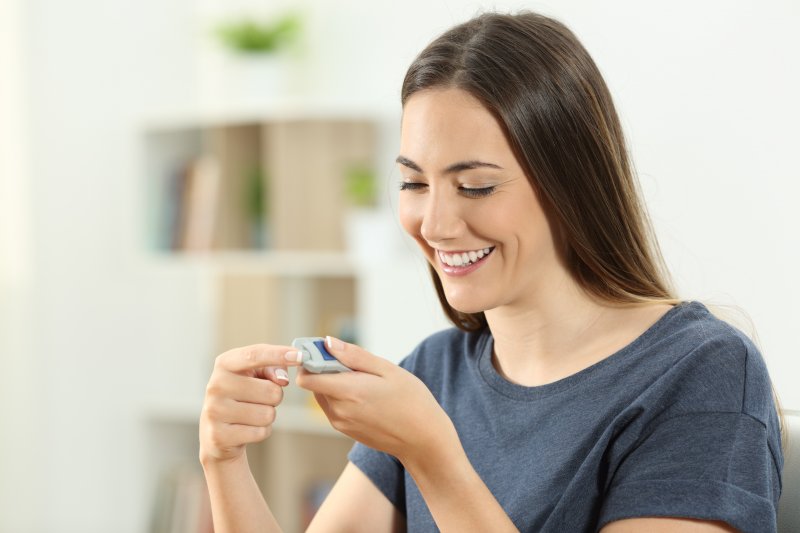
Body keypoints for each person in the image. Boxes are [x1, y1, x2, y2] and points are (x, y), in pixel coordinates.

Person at [198, 10, 783, 533]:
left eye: (475, 186)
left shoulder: (703, 372)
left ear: (570, 184)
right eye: (413, 183)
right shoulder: (434, 371)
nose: (435, 223)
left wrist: (434, 459)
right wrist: (225, 461)